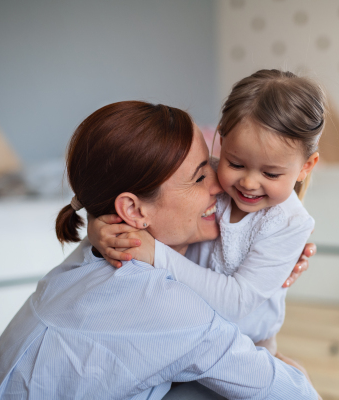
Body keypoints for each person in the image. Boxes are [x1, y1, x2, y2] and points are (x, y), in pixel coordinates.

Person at [0, 101, 319, 400]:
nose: (222, 186)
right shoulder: (163, 302)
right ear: (133, 211)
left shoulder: (99, 249)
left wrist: (268, 258)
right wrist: (295, 372)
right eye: (200, 177)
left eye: (213, 165)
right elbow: (287, 390)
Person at [89, 70, 325, 365]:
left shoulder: (289, 223)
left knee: (289, 382)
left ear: (306, 166)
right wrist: (98, 228)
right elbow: (136, 201)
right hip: (189, 328)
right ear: (222, 142)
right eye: (236, 163)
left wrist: (156, 254)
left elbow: (237, 302)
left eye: (270, 173)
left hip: (250, 341)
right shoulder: (207, 176)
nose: (249, 183)